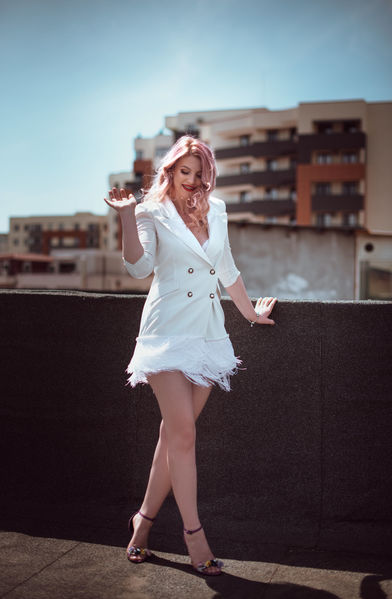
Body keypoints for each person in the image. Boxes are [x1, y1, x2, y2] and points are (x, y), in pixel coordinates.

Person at [104, 135, 277, 576]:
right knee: (183, 434)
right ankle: (194, 535)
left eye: (200, 173)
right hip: (166, 332)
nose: (192, 180)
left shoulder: (216, 210)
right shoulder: (150, 211)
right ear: (170, 171)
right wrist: (126, 216)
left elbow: (227, 269)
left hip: (207, 334)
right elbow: (139, 267)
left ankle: (142, 524)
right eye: (185, 171)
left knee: (173, 437)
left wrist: (251, 315)